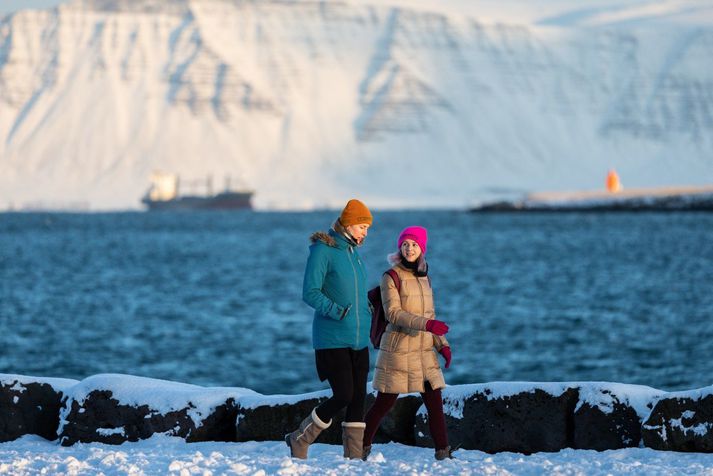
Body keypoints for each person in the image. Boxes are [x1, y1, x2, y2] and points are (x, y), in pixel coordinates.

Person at [285, 199, 373, 460]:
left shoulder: (353, 253)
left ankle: (354, 457)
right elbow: (310, 292)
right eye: (361, 226)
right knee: (343, 395)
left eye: (367, 227)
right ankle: (299, 438)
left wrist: (367, 307)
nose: (364, 232)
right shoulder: (323, 249)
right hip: (331, 337)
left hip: (359, 338)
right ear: (347, 224)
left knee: (358, 398)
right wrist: (337, 310)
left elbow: (354, 293)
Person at [362, 226, 454, 460]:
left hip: (423, 351)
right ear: (400, 249)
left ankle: (443, 452)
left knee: (435, 404)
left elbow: (430, 315)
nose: (409, 248)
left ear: (422, 248)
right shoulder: (390, 277)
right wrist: (427, 326)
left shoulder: (425, 278)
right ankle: (360, 447)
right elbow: (393, 313)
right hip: (398, 350)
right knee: (384, 404)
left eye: (414, 244)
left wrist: (442, 345)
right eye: (405, 244)